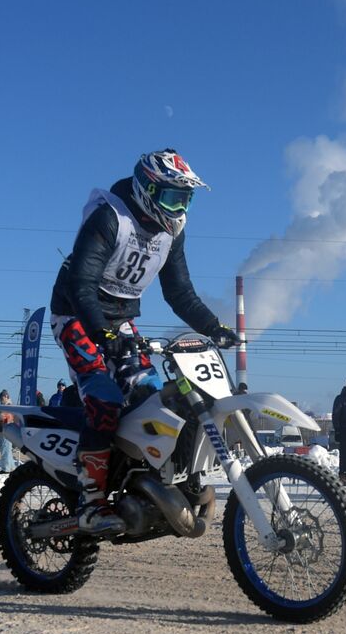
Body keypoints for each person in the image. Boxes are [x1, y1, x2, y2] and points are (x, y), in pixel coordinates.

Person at [49, 149, 239, 534]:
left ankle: (148, 479)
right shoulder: (110, 217)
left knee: (157, 395)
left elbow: (180, 293)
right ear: (147, 188)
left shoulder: (172, 232)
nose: (180, 207)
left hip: (118, 320)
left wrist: (213, 327)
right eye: (173, 197)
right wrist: (102, 335)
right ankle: (90, 499)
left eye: (186, 199)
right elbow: (80, 285)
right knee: (104, 398)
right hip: (76, 315)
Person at [0, 390, 16, 474]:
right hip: (4, 429)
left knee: (5, 449)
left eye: (2, 397)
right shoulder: (5, 406)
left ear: (6, 396)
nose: (1, 399)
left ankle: (6, 468)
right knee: (7, 449)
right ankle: (11, 467)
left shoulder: (8, 406)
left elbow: (7, 418)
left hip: (6, 429)